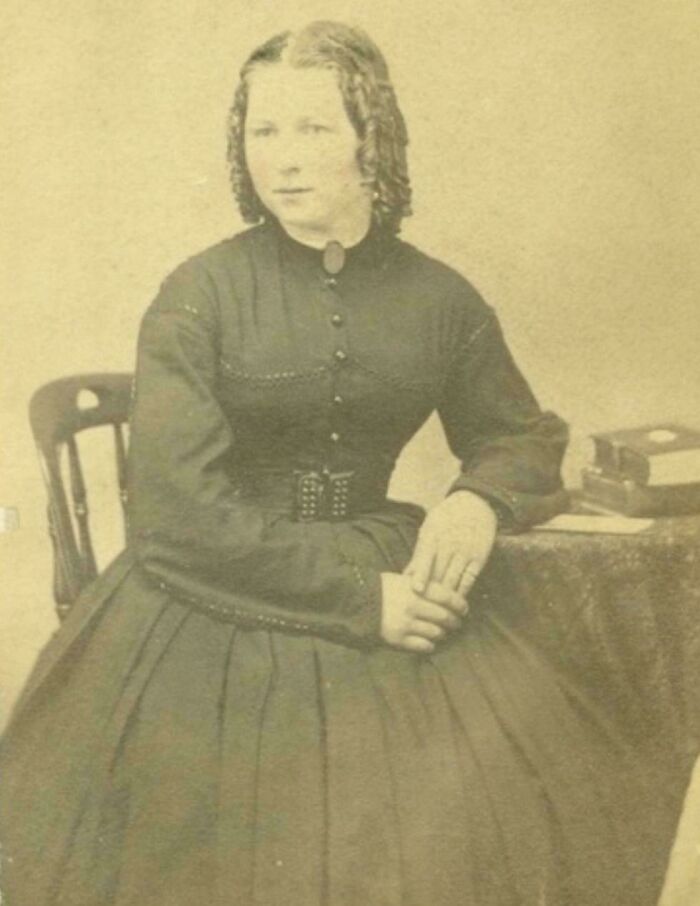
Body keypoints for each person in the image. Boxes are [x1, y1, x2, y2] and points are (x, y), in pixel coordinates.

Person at [0, 20, 682, 906]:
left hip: (388, 561)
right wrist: (366, 602)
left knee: (490, 806)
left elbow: (520, 434)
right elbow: (178, 515)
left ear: (371, 139)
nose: (282, 159)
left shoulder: (438, 297)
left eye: (314, 128)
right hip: (211, 595)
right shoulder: (198, 294)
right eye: (263, 130)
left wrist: (476, 501)